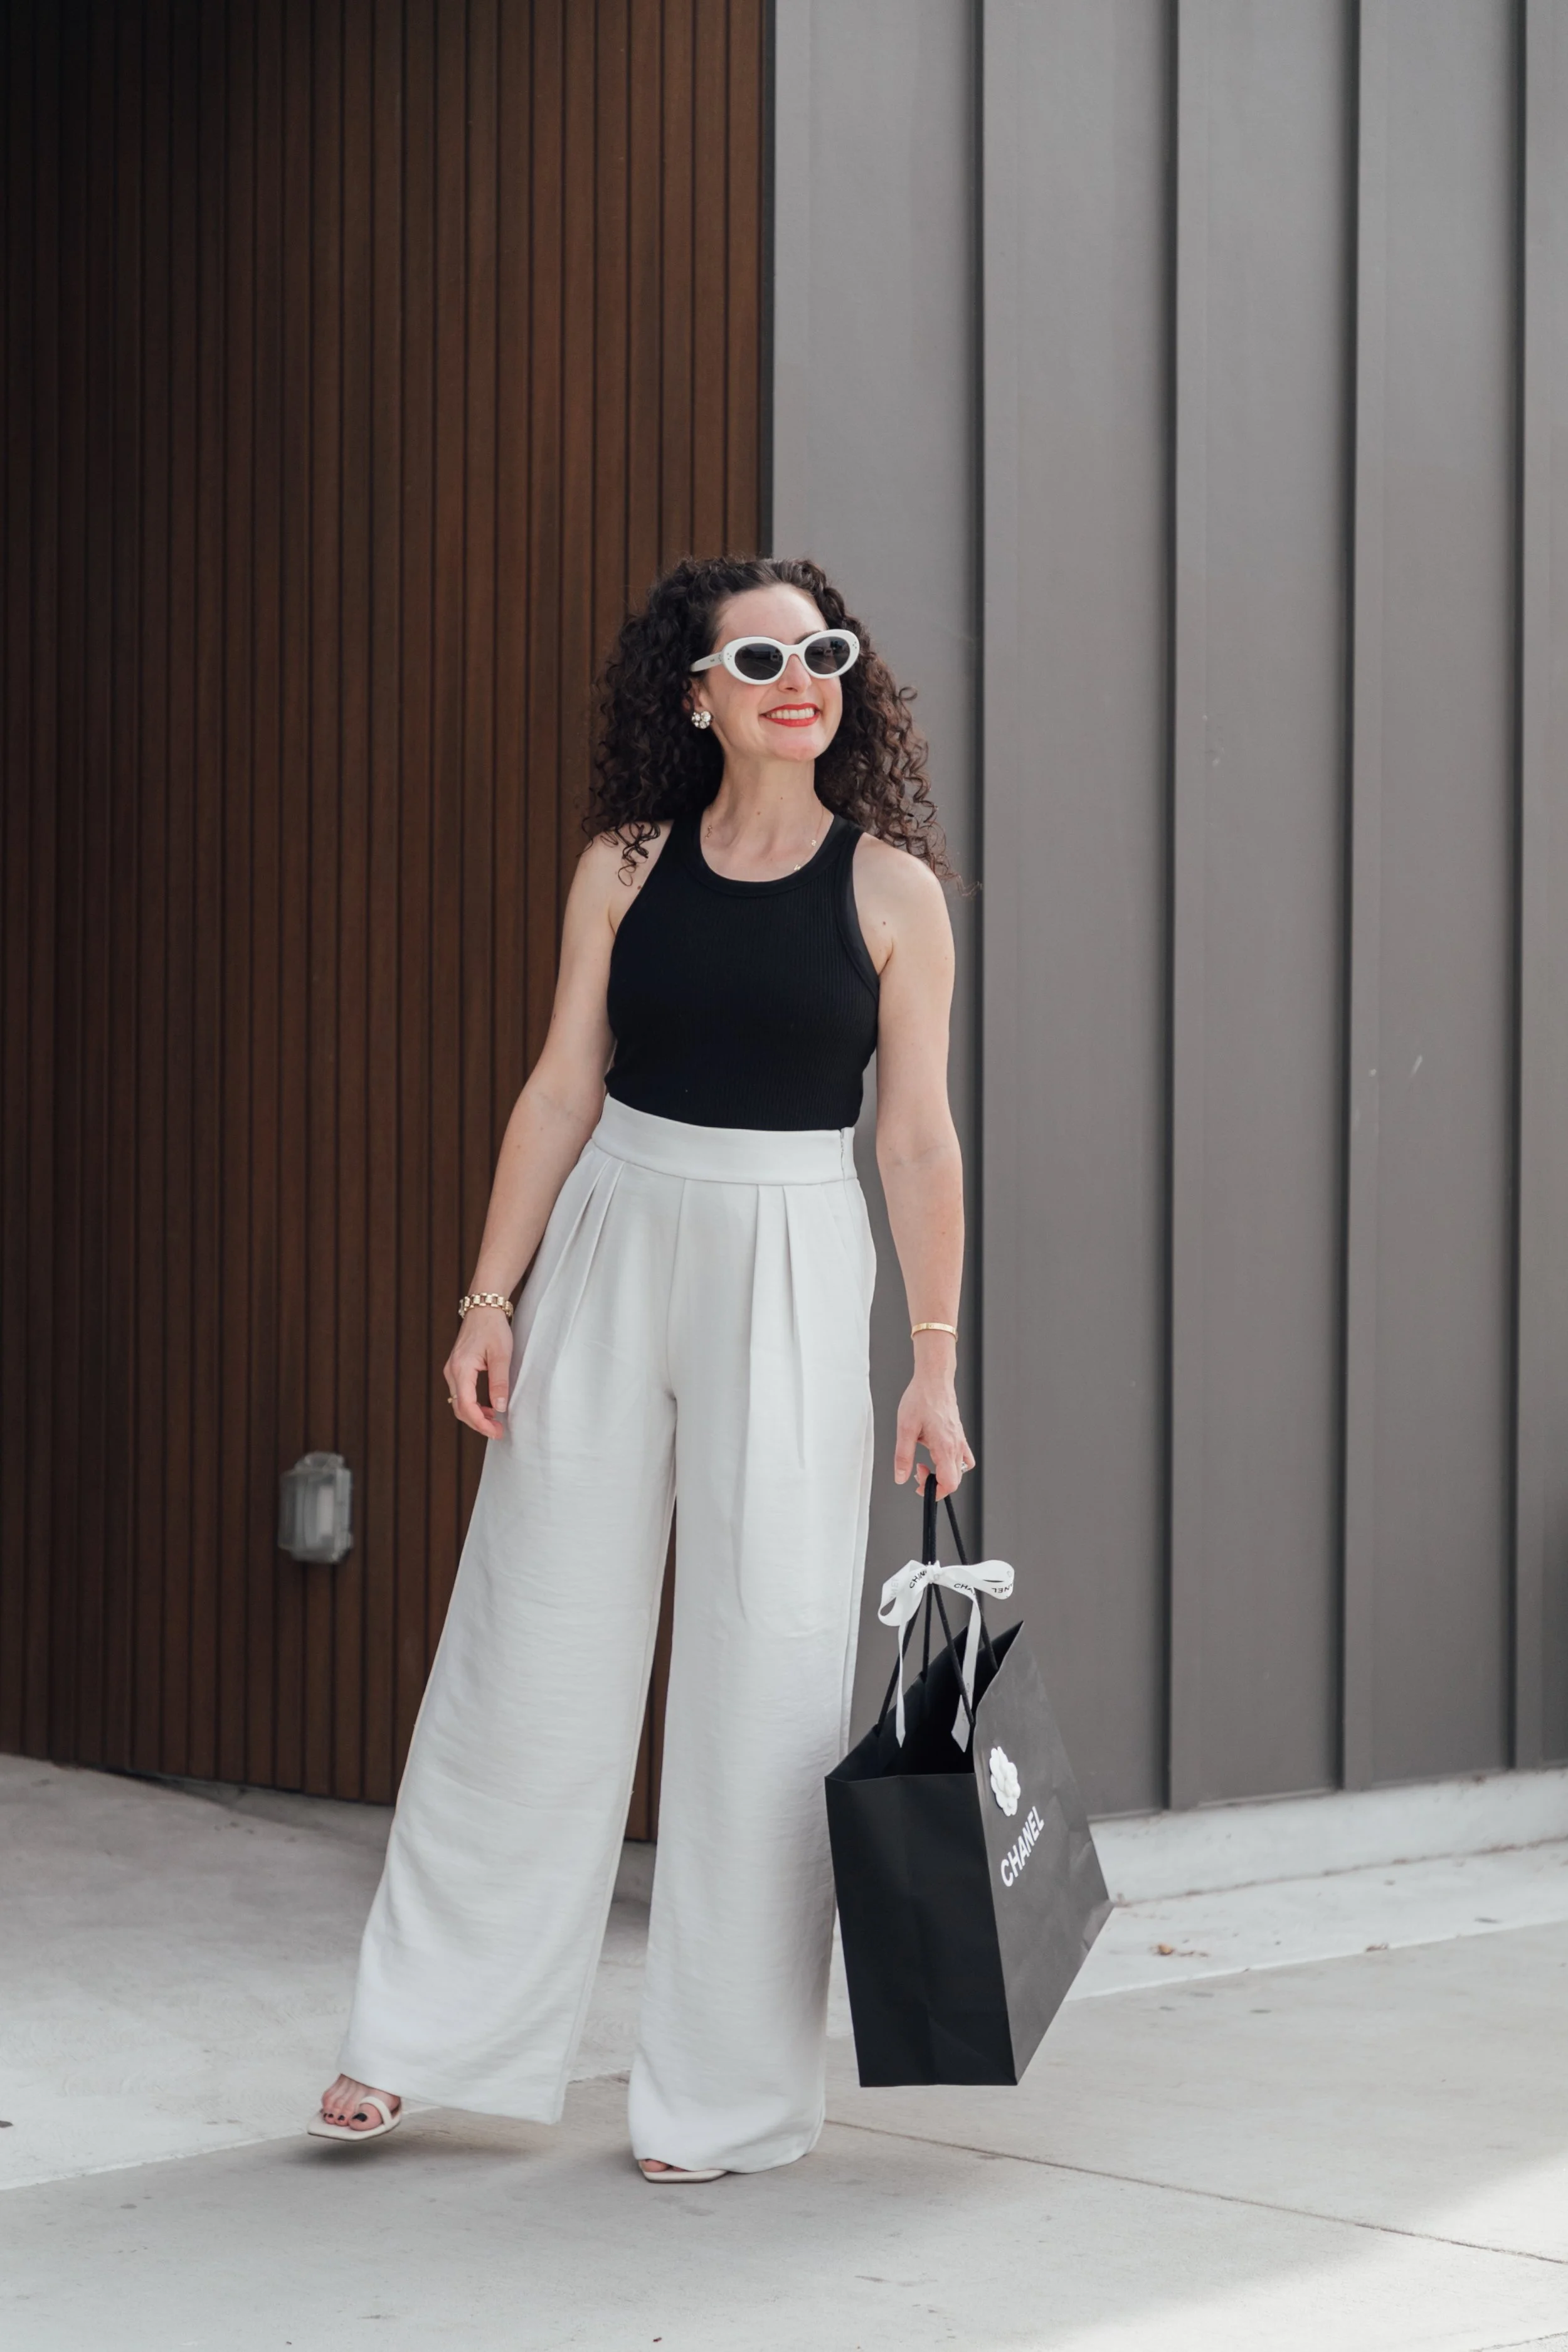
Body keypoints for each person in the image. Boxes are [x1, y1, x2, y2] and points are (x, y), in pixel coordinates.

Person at [312, 554, 974, 2178]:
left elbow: (915, 1139)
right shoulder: (622, 865)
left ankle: (726, 2098)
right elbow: (561, 1085)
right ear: (695, 695)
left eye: (823, 653)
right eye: (759, 660)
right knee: (531, 1632)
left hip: (793, 1252)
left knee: (772, 1666)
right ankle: (420, 2034)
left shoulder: (893, 892)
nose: (798, 680)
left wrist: (934, 1365)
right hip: (613, 1224)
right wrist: (489, 1298)